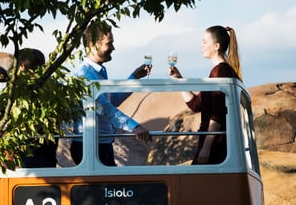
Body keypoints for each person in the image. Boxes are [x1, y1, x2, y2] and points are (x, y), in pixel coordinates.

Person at [71, 22, 151, 166]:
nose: (113, 48)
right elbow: (104, 108)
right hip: (89, 146)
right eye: (109, 43)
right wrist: (134, 127)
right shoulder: (84, 75)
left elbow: (110, 101)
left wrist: (133, 78)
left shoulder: (98, 72)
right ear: (92, 44)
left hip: (102, 143)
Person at [168, 26, 242, 165]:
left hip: (216, 145)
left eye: (204, 42)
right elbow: (196, 105)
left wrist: (206, 147)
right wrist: (179, 80)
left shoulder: (220, 72)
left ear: (216, 46)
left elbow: (218, 115)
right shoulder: (218, 72)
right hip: (213, 142)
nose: (201, 45)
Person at [16, 48, 58, 168]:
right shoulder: (52, 91)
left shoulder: (19, 92)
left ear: (22, 67)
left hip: (32, 153)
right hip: (45, 153)